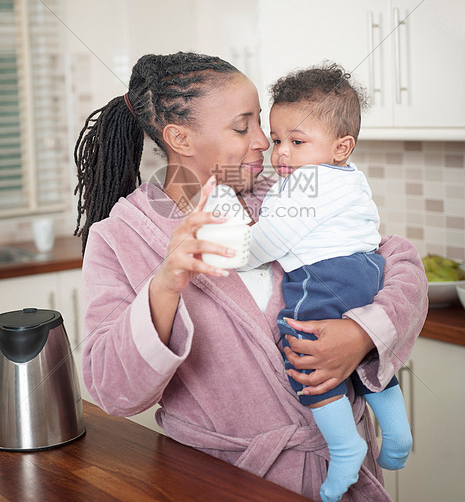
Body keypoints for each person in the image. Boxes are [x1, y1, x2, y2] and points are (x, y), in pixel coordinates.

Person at [74, 52, 428, 501]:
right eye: (243, 127)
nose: (264, 141)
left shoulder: (287, 190)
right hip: (226, 480)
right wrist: (165, 283)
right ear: (180, 137)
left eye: (262, 122)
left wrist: (363, 334)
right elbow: (112, 390)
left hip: (342, 472)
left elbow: (395, 261)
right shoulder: (122, 237)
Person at [240, 64, 412, 502]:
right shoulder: (346, 177)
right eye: (277, 140)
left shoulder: (308, 183)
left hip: (323, 276)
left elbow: (268, 242)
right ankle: (395, 431)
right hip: (365, 270)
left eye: (297, 142)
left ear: (341, 146)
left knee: (302, 350)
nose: (281, 153)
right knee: (364, 354)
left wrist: (234, 253)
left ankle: (344, 445)